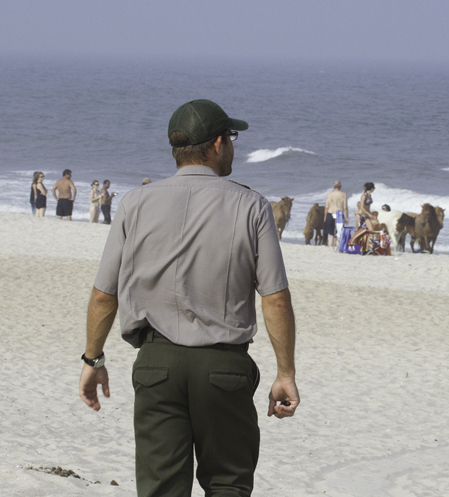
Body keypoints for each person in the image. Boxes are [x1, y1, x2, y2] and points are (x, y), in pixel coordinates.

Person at [78, 99, 299, 497]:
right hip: (223, 368)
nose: (233, 146)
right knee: (228, 484)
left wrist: (93, 358)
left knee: (161, 488)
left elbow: (102, 296)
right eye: (231, 138)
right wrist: (285, 373)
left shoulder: (134, 203)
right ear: (217, 144)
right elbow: (276, 299)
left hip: (156, 366)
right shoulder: (251, 205)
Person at [323, 180, 348, 247]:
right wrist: (347, 217)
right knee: (339, 234)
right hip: (339, 214)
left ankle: (330, 249)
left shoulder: (329, 195)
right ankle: (338, 248)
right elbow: (345, 207)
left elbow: (326, 207)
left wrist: (325, 217)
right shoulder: (343, 194)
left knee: (331, 235)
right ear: (340, 186)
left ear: (333, 186)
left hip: (330, 214)